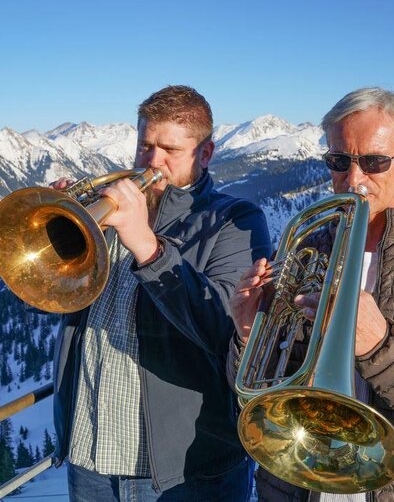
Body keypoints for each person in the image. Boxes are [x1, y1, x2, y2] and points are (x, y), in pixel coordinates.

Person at [51, 85, 272, 501]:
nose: (153, 162)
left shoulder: (234, 220)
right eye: (145, 146)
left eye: (170, 149)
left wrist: (148, 248)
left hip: (183, 471)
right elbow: (53, 296)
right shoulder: (108, 208)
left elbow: (225, 329)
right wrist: (61, 229)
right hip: (89, 456)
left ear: (204, 154)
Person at [226, 87, 394, 502]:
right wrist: (249, 336)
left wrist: (379, 346)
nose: (353, 179)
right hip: (299, 478)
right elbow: (252, 395)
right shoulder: (309, 243)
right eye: (339, 161)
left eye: (374, 162)